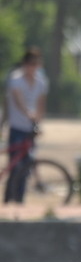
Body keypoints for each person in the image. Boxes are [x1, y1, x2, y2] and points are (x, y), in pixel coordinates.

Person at [4, 47, 48, 203]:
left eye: (35, 64)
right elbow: (18, 100)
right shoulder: (16, 79)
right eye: (30, 64)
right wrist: (28, 113)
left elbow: (41, 103)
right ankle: (9, 199)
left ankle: (19, 201)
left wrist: (38, 121)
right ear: (25, 65)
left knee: (26, 166)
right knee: (15, 165)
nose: (33, 68)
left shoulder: (41, 81)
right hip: (17, 127)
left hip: (30, 129)